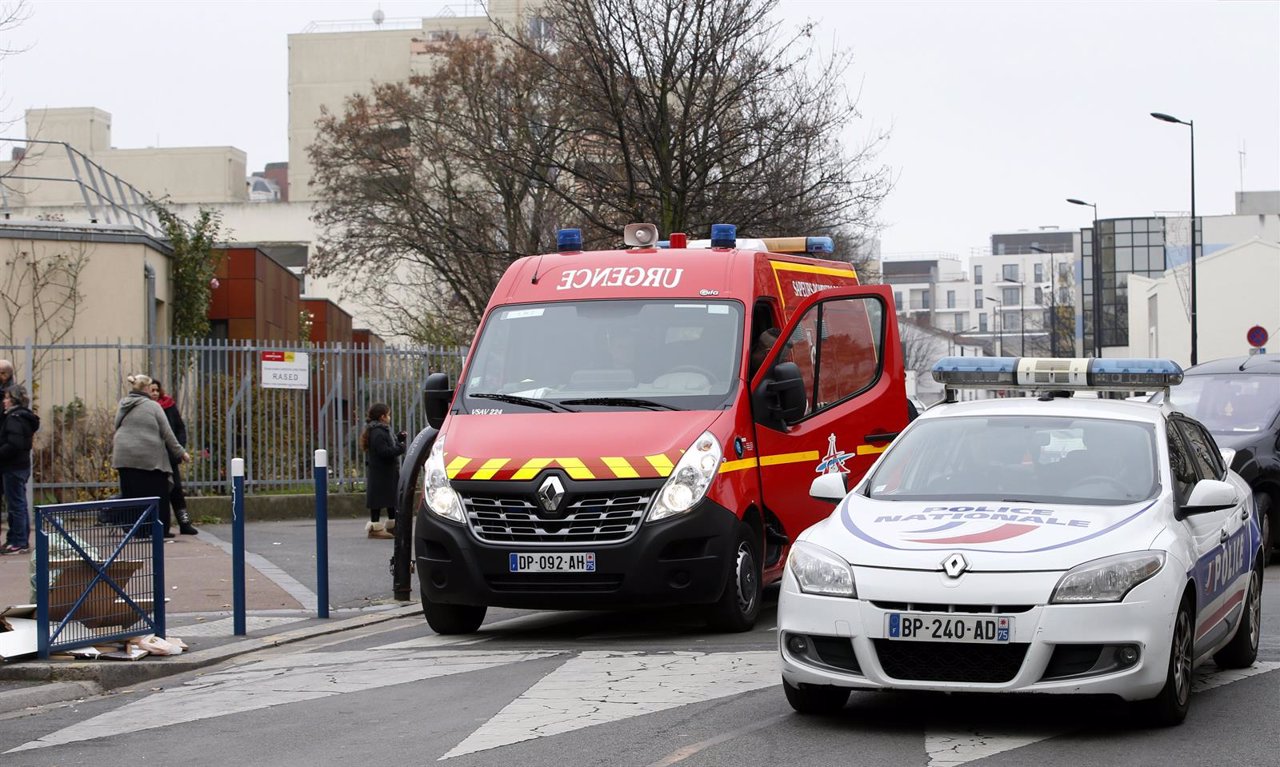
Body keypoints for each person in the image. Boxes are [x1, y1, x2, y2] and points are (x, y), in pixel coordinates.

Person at [112, 373, 189, 539]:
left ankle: (134, 529)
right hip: (148, 458)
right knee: (158, 493)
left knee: (131, 494)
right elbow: (167, 432)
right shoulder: (153, 406)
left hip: (123, 456)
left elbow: (116, 424)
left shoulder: (123, 403)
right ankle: (158, 529)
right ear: (146, 388)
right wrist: (181, 452)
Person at [149, 379, 198, 535]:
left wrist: (179, 448)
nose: (155, 393)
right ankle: (162, 526)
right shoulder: (145, 408)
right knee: (159, 492)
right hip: (153, 458)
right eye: (152, 390)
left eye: (157, 390)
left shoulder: (169, 406)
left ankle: (184, 522)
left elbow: (179, 428)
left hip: (170, 456)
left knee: (176, 490)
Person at [0, 384, 39, 554]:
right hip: (21, 465)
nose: (4, 401)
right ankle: (18, 539)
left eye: (7, 398)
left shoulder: (14, 418)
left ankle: (18, 541)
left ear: (14, 400)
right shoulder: (24, 417)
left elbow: (14, 444)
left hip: (13, 466)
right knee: (19, 503)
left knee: (16, 505)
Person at [362, 403, 405, 540]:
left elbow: (388, 444)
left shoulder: (381, 430)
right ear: (382, 417)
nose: (389, 417)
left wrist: (398, 439)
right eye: (388, 414)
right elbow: (384, 451)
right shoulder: (378, 432)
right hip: (381, 471)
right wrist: (400, 448)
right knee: (379, 500)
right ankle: (375, 528)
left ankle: (392, 525)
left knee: (390, 498)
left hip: (385, 471)